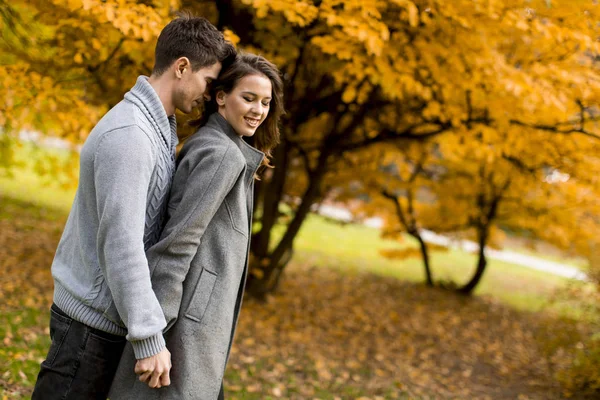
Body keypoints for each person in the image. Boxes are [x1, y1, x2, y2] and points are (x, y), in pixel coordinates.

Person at [32, 15, 236, 399]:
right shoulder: (131, 136)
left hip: (104, 325)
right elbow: (122, 244)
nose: (208, 95)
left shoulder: (156, 129)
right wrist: (148, 337)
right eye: (208, 83)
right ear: (181, 67)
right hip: (87, 330)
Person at [109, 52, 285, 400]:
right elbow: (176, 244)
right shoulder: (222, 155)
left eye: (265, 102)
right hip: (187, 329)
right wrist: (154, 333)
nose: (258, 110)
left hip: (196, 325)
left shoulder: (220, 145)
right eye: (248, 98)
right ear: (221, 97)